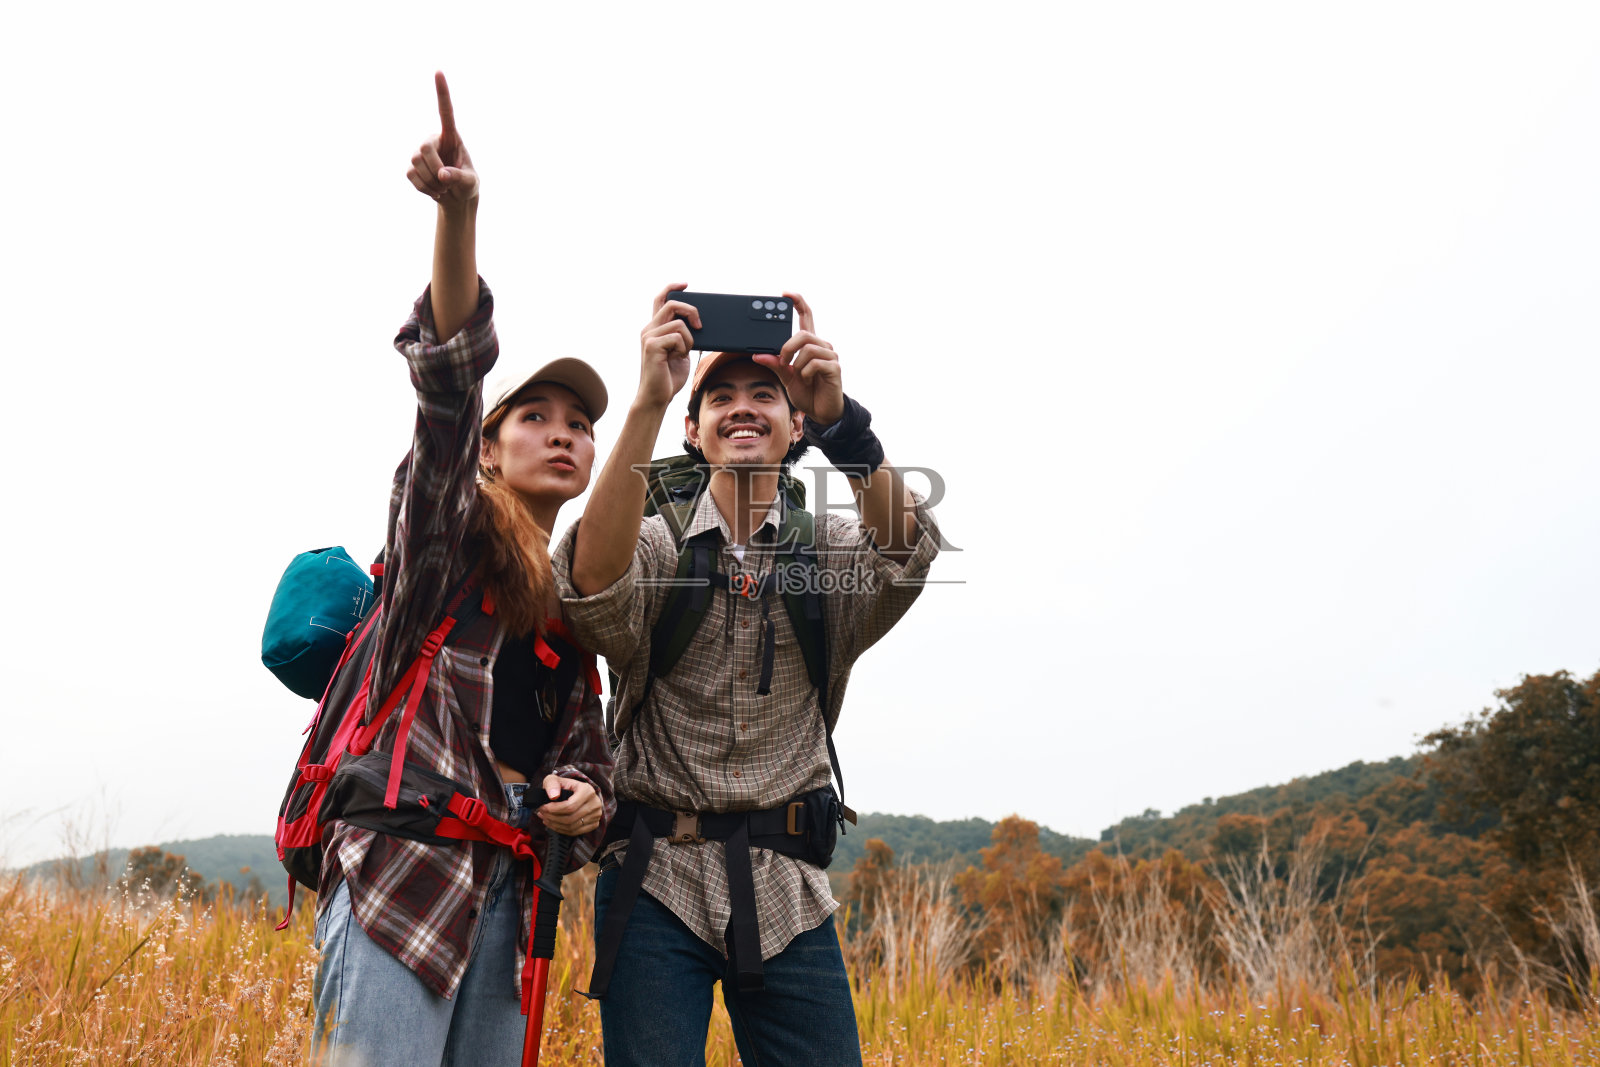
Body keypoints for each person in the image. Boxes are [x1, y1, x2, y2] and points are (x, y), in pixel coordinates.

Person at [310, 73, 615, 1066]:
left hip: (516, 896)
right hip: (407, 875)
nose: (563, 436)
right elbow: (448, 383)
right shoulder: (444, 540)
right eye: (536, 418)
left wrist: (583, 792)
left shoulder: (575, 605)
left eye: (580, 425)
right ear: (490, 448)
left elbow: (589, 753)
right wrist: (459, 215)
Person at [553, 284, 942, 1064]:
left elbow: (907, 555)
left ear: (795, 424)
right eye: (718, 395)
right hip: (653, 877)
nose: (741, 408)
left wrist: (845, 426)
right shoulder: (659, 542)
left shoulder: (825, 549)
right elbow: (593, 588)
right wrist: (646, 402)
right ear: (692, 432)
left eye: (764, 393)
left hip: (787, 884)